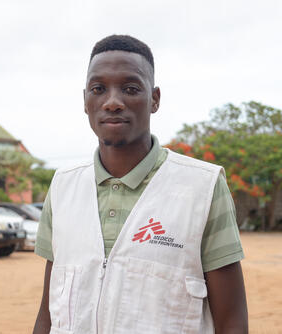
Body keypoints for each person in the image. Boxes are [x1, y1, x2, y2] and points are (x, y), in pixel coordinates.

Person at [33, 35, 248, 334]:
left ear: (155, 99)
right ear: (85, 100)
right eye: (98, 89)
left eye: (130, 89)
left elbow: (232, 321)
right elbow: (49, 311)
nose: (112, 102)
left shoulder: (202, 187)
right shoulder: (63, 186)